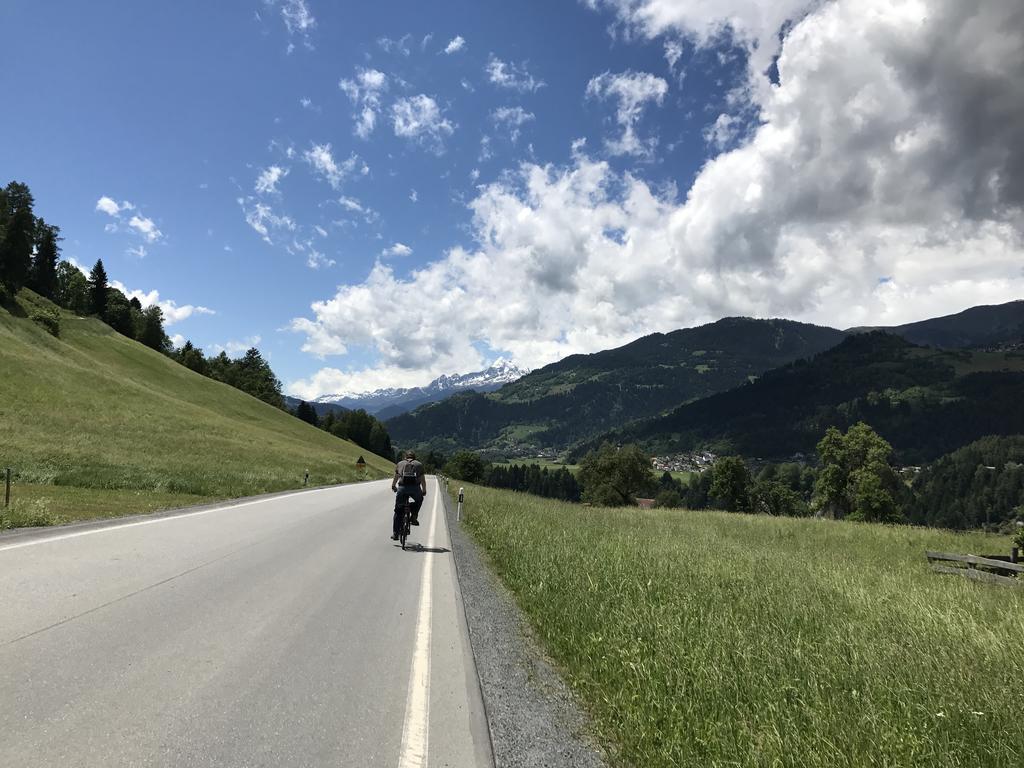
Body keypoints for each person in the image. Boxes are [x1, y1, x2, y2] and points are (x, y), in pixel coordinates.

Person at [391, 450, 426, 540]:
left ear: (405, 457)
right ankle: (413, 516)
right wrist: (424, 490)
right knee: (419, 500)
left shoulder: (400, 463)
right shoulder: (419, 464)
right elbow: (422, 479)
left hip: (402, 489)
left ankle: (395, 533)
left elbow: (396, 476)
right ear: (414, 457)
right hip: (415, 488)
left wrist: (393, 486)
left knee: (398, 511)